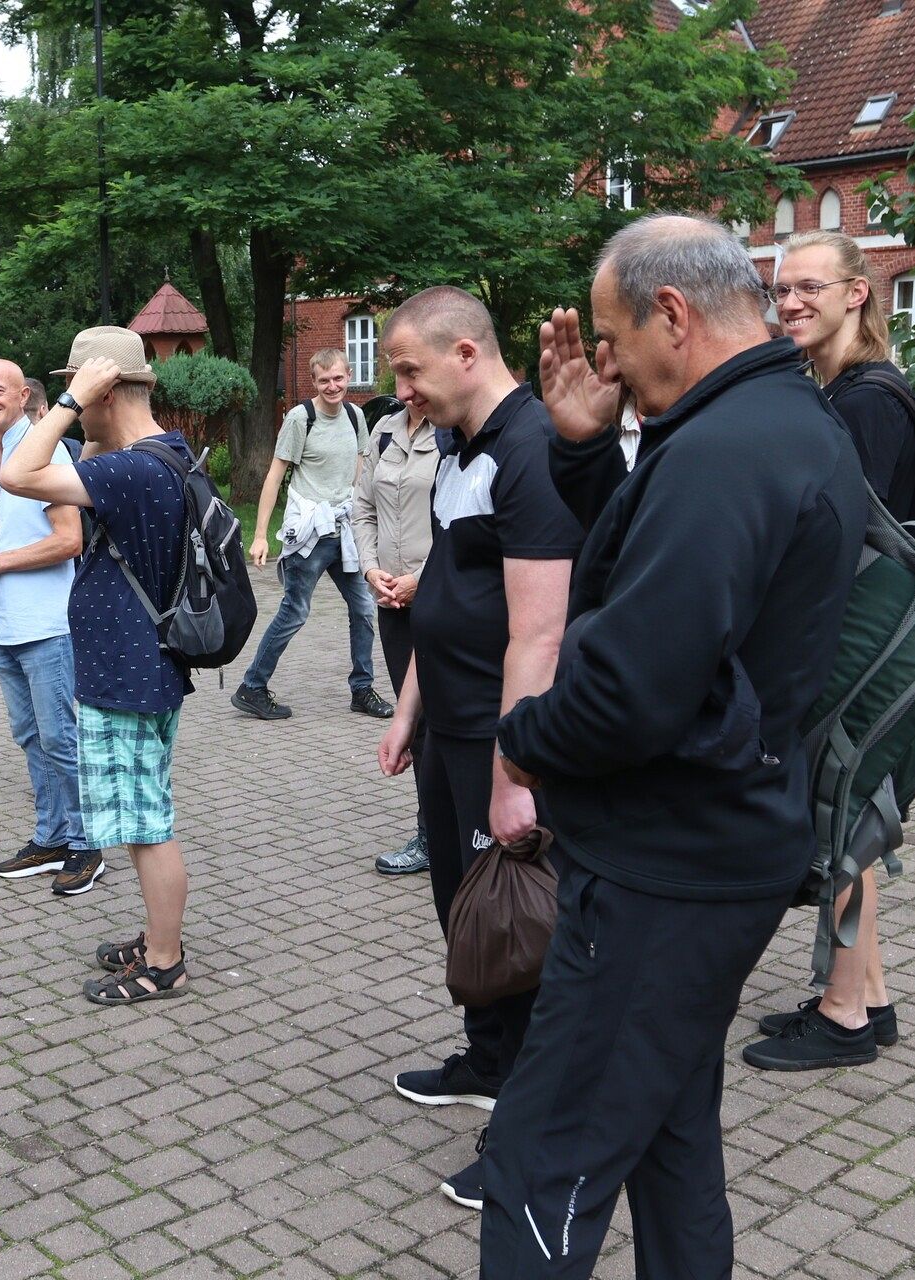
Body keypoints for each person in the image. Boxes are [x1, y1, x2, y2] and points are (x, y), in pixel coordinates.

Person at [481, 215, 867, 1277]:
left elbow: (631, 688)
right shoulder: (767, 423)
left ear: (675, 314)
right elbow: (672, 593)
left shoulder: (730, 449)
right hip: (714, 850)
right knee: (669, 1144)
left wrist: (519, 741)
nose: (605, 361)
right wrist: (586, 448)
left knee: (542, 1162)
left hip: (664, 871)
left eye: (613, 338)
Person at [374, 287, 580, 1210]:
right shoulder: (461, 446)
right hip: (448, 725)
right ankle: (488, 1058)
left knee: (521, 927)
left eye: (411, 371)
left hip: (500, 741)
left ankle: (529, 1133)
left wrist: (513, 773)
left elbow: (537, 634)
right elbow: (449, 592)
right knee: (465, 911)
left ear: (466, 353)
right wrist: (408, 706)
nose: (403, 392)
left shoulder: (531, 447)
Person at [740, 229, 915, 1072]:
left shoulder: (867, 403)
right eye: (781, 291)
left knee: (843, 818)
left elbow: (847, 543)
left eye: (810, 286)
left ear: (857, 294)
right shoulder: (842, 390)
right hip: (862, 641)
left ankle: (844, 1016)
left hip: (858, 645)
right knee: (856, 818)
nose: (791, 302)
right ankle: (867, 998)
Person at [0, 327, 194, 1006]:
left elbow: (16, 473)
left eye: (82, 391)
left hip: (127, 672)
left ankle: (164, 962)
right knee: (145, 817)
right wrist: (89, 411)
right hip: (147, 665)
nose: (75, 408)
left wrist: (66, 401)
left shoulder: (131, 470)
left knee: (146, 826)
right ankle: (156, 936)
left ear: (103, 390)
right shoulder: (162, 453)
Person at [0, 358, 101, 895]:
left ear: (24, 397)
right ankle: (51, 836)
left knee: (62, 739)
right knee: (32, 739)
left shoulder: (43, 452)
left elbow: (70, 540)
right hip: (5, 626)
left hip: (50, 625)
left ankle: (87, 848)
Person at [232, 348, 392, 722]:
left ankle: (362, 689)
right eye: (324, 381)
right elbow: (274, 476)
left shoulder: (355, 417)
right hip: (310, 533)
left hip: (345, 530)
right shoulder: (300, 418)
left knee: (365, 608)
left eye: (338, 378)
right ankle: (253, 686)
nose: (332, 386)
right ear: (314, 381)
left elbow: (359, 471)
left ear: (348, 376)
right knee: (296, 611)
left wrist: (366, 519)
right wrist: (260, 536)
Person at [352, 395, 439, 875]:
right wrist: (370, 570)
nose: (404, 388)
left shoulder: (452, 433)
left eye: (412, 373)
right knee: (419, 724)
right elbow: (361, 509)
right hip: (392, 603)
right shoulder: (384, 429)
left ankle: (466, 828)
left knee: (452, 714)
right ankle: (430, 834)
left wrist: (422, 579)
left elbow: (464, 524)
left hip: (442, 598)